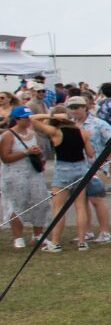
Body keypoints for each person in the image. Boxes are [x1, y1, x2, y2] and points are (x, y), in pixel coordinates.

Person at [2, 105, 55, 249]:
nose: (27, 121)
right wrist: (26, 152)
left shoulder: (33, 134)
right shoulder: (8, 135)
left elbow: (40, 154)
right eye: (24, 118)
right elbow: (5, 157)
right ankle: (18, 237)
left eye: (29, 118)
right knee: (17, 204)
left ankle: (38, 235)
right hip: (14, 174)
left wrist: (38, 154)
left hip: (33, 173)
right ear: (17, 119)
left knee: (40, 202)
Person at [46, 106, 94, 252]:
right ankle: (82, 241)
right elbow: (91, 154)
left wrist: (50, 116)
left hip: (63, 169)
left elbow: (33, 119)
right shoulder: (82, 132)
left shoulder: (55, 132)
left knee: (58, 207)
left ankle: (55, 242)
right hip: (80, 169)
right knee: (80, 206)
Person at [71, 97, 111, 244]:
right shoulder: (70, 125)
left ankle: (105, 232)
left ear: (85, 107)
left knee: (96, 199)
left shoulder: (98, 123)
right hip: (78, 167)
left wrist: (106, 158)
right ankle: (87, 231)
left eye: (77, 107)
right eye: (71, 107)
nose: (74, 110)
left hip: (97, 167)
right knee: (81, 201)